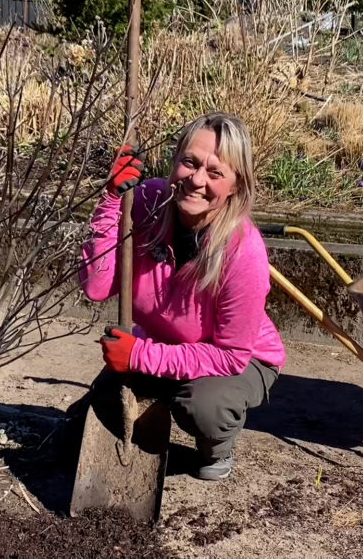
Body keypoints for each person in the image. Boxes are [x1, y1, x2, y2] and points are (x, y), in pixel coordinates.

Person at [77, 112, 287, 481]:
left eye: (215, 172)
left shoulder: (243, 252)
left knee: (204, 406)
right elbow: (96, 287)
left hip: (235, 360)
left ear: (236, 185)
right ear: (175, 161)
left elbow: (231, 355)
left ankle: (216, 449)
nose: (197, 180)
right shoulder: (144, 203)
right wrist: (111, 200)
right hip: (163, 341)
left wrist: (141, 355)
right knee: (103, 402)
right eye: (189, 162)